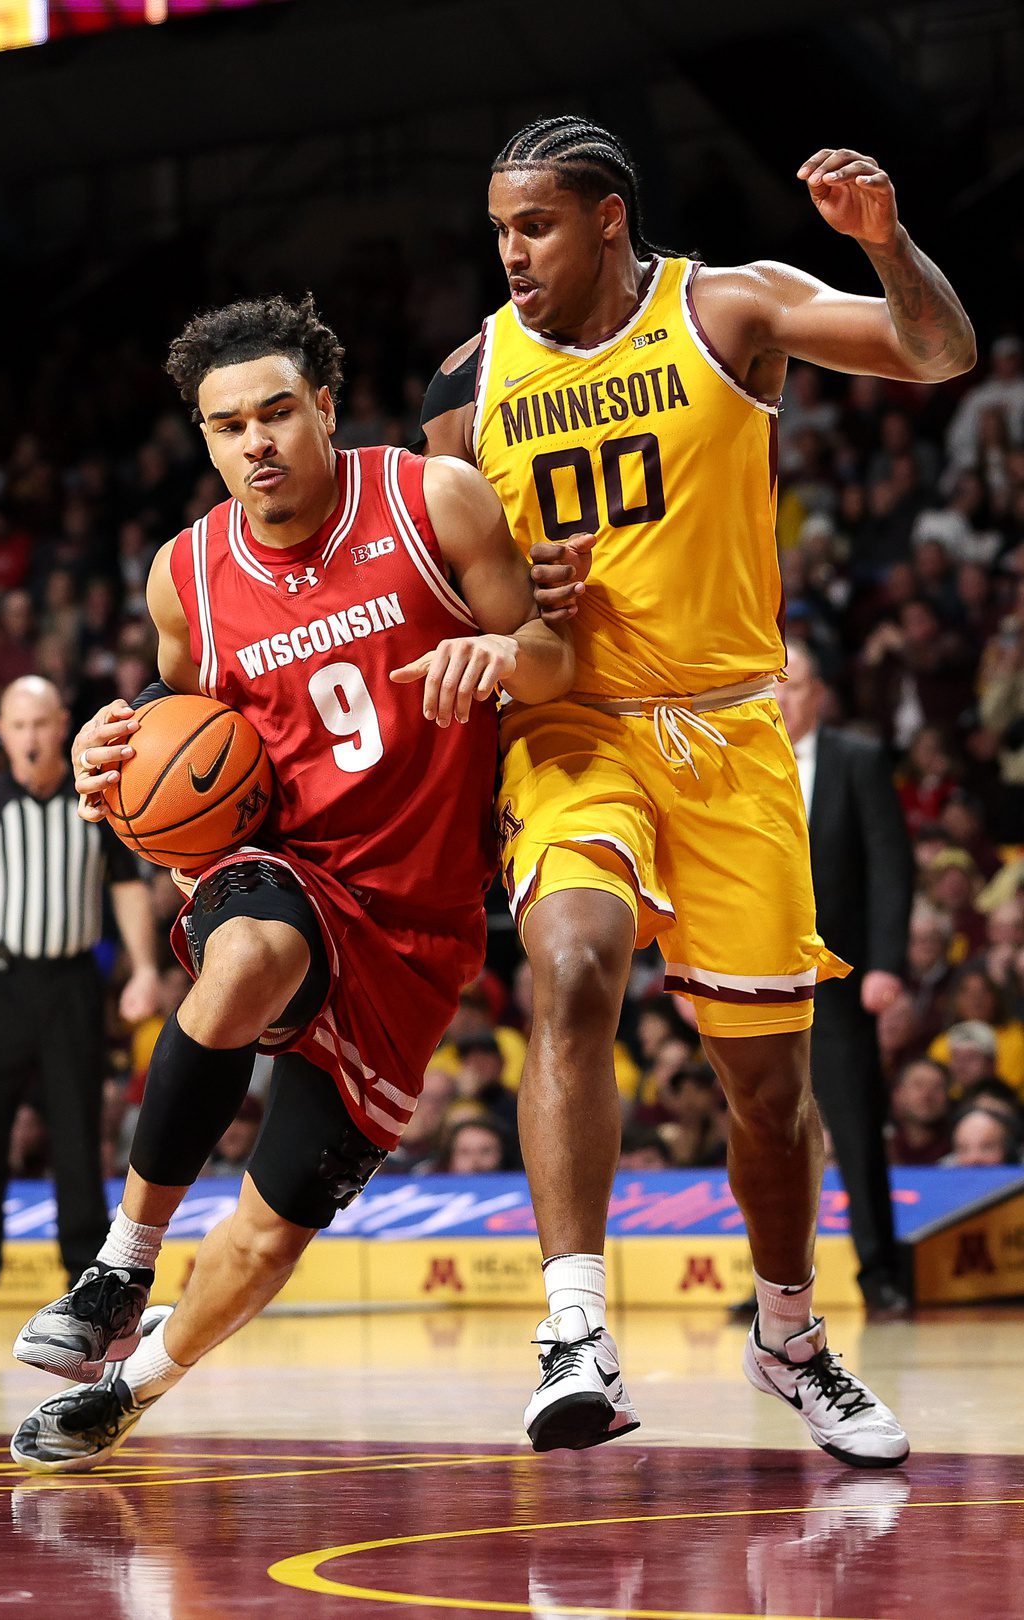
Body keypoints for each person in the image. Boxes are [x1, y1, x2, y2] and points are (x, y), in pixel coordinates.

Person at [422, 116, 975, 1465]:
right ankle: (573, 1332)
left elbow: (938, 351)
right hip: (576, 733)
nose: (512, 252)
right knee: (567, 964)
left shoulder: (728, 307)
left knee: (769, 1100)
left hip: (730, 739)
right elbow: (449, 583)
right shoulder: (464, 384)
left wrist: (887, 246)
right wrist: (513, 603)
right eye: (499, 228)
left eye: (536, 224)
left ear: (609, 217)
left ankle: (790, 1335)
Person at [9, 293, 573, 1472]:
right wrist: (105, 762)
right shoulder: (187, 578)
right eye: (226, 426)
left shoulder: (432, 502)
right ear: (205, 441)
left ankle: (132, 1387)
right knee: (251, 954)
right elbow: (177, 749)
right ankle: (120, 1265)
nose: (254, 442)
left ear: (325, 407)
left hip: (420, 922)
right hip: (287, 870)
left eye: (276, 413)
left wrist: (501, 654)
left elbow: (554, 659)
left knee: (272, 1232)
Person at [0, 676, 159, 1332]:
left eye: (42, 723)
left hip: (70, 986)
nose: (31, 737)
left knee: (76, 1137)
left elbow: (126, 890)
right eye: (18, 724)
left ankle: (84, 1292)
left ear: (63, 724)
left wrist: (146, 968)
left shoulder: (94, 800)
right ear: (0, 731)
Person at [775, 642, 913, 1313]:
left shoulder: (857, 761)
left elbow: (891, 867)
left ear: (819, 694)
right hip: (754, 978)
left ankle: (881, 1273)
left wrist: (886, 963)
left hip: (840, 977)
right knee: (762, 1131)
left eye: (794, 687)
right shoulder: (732, 758)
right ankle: (771, 1289)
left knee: (855, 1130)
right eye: (772, 685)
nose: (781, 699)